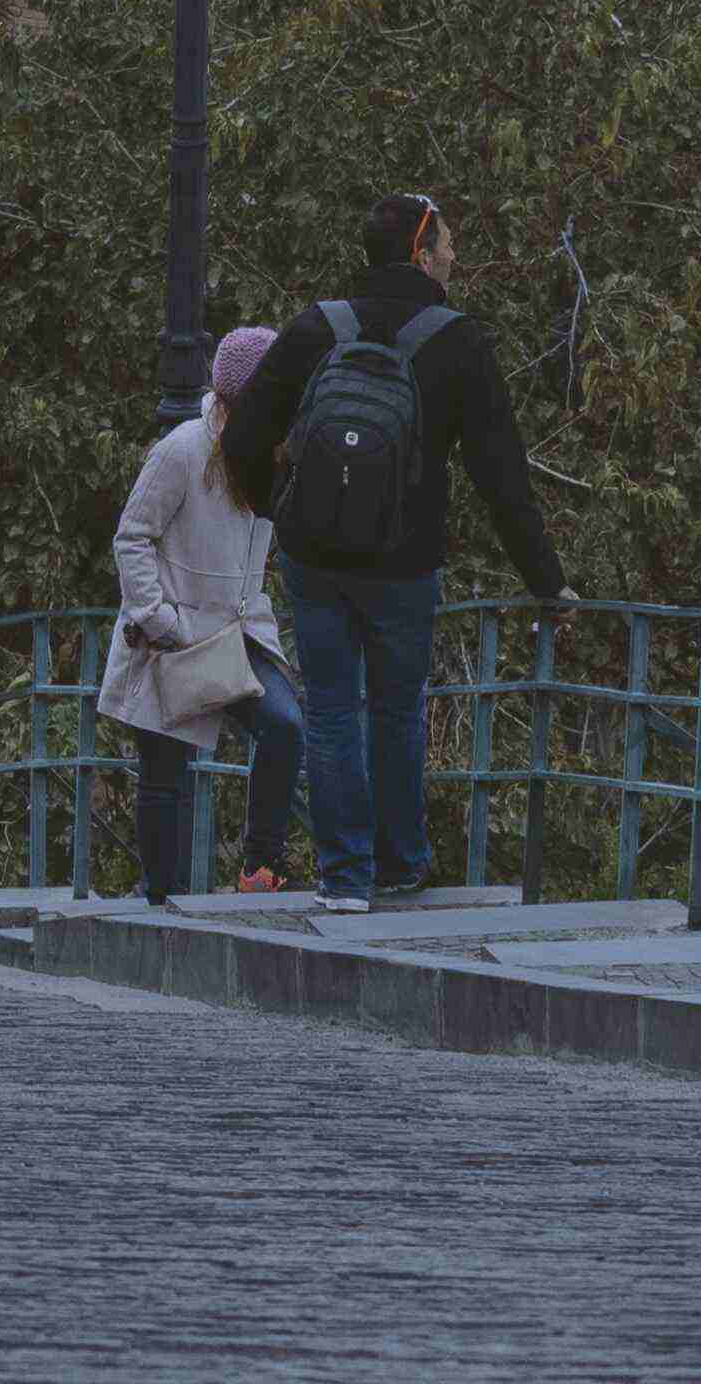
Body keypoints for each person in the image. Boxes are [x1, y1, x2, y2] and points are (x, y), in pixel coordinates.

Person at [223, 192, 566, 908]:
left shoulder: (317, 327)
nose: (454, 256)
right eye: (447, 244)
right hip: (405, 561)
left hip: (315, 559)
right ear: (421, 253)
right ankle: (399, 864)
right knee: (397, 709)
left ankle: (343, 877)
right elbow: (501, 475)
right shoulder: (458, 340)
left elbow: (243, 433)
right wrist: (545, 579)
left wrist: (276, 507)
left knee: (329, 712)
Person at [101, 321, 300, 900]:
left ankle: (259, 868)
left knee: (285, 727)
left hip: (239, 631)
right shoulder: (182, 449)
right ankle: (158, 897)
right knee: (164, 774)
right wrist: (160, 618)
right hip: (177, 633)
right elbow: (132, 536)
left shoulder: (270, 452)